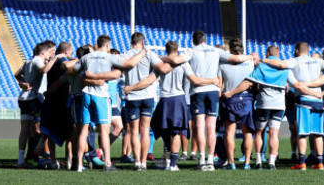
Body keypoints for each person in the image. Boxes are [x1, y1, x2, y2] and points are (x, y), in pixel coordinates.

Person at [159, 30, 257, 171]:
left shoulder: (191, 51)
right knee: (211, 127)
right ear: (205, 39)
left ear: (194, 41)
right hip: (212, 91)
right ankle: (211, 160)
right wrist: (251, 57)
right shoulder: (215, 51)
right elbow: (236, 59)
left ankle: (202, 160)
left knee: (199, 126)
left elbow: (175, 60)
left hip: (197, 91)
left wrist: (163, 57)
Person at [126, 40, 217, 171]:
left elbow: (150, 80)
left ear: (166, 50)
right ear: (177, 50)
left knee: (163, 130)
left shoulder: (162, 64)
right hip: (178, 99)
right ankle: (172, 164)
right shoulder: (183, 63)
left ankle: (167, 159)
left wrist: (132, 88)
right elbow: (195, 80)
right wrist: (212, 80)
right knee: (176, 133)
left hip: (164, 99)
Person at [261, 42, 324, 170]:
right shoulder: (318, 61)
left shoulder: (294, 61)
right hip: (317, 100)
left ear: (296, 50)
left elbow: (281, 64)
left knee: (302, 133)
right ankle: (320, 163)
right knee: (318, 133)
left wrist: (264, 59)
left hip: (303, 100)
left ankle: (302, 162)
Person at [71, 35, 147, 172]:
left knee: (83, 130)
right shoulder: (109, 56)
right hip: (101, 95)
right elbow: (130, 63)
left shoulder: (86, 57)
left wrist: (87, 75)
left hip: (86, 94)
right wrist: (143, 52)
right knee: (104, 131)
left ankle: (79, 165)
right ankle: (107, 163)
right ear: (107, 45)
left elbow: (73, 70)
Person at [119, 32, 173, 171]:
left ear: (131, 42)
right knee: (145, 130)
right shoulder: (149, 54)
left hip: (132, 97)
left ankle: (137, 162)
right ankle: (143, 162)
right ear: (143, 42)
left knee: (134, 131)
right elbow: (162, 69)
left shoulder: (125, 55)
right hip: (148, 96)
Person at [15, 41, 57, 168]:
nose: (50, 54)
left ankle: (21, 160)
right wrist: (56, 58)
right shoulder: (38, 61)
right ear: (43, 52)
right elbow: (44, 70)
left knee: (25, 131)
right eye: (49, 52)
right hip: (33, 99)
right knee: (49, 122)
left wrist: (22, 82)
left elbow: (17, 74)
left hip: (23, 99)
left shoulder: (28, 62)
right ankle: (40, 150)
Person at [218, 37, 257, 170]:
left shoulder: (222, 64)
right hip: (245, 99)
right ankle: (246, 163)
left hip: (229, 99)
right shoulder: (250, 63)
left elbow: (219, 85)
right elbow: (250, 83)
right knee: (247, 133)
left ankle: (231, 163)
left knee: (229, 133)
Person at [40, 42, 75, 169]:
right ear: (67, 51)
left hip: (52, 100)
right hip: (62, 101)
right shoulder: (63, 60)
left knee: (51, 132)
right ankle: (70, 160)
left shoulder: (52, 62)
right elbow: (65, 70)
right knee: (69, 132)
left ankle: (54, 160)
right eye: (71, 51)